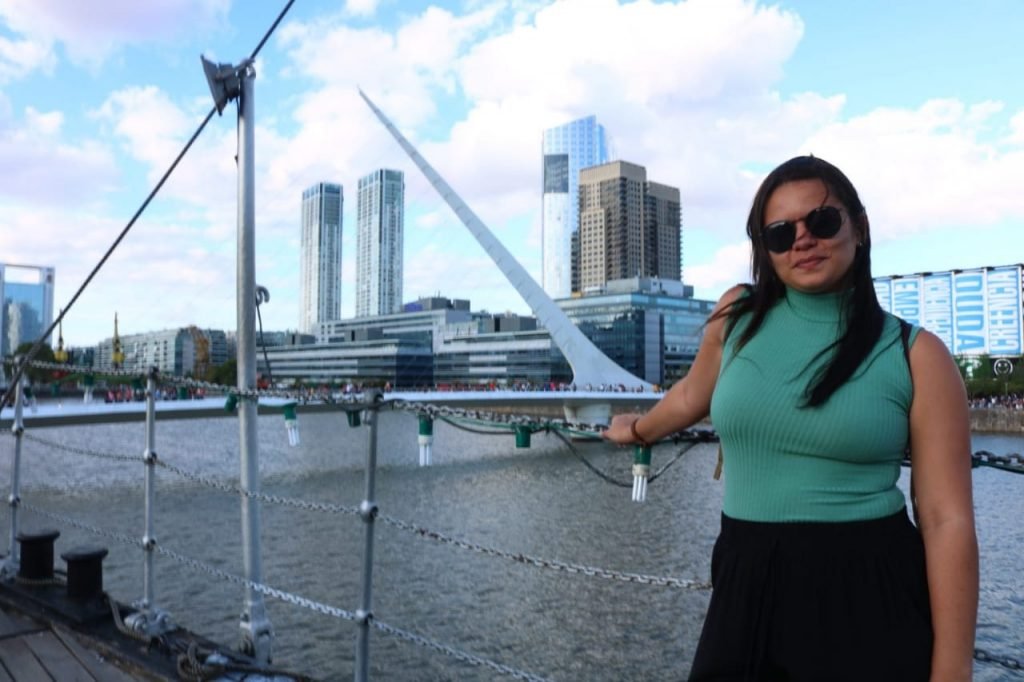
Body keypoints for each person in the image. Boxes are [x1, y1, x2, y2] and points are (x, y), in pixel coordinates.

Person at [604, 155, 978, 681]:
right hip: (745, 584)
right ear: (766, 250)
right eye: (779, 233)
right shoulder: (738, 316)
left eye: (822, 221)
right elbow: (693, 393)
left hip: (869, 592)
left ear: (859, 226)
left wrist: (953, 668)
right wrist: (637, 429)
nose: (802, 240)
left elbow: (946, 520)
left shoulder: (916, 354)